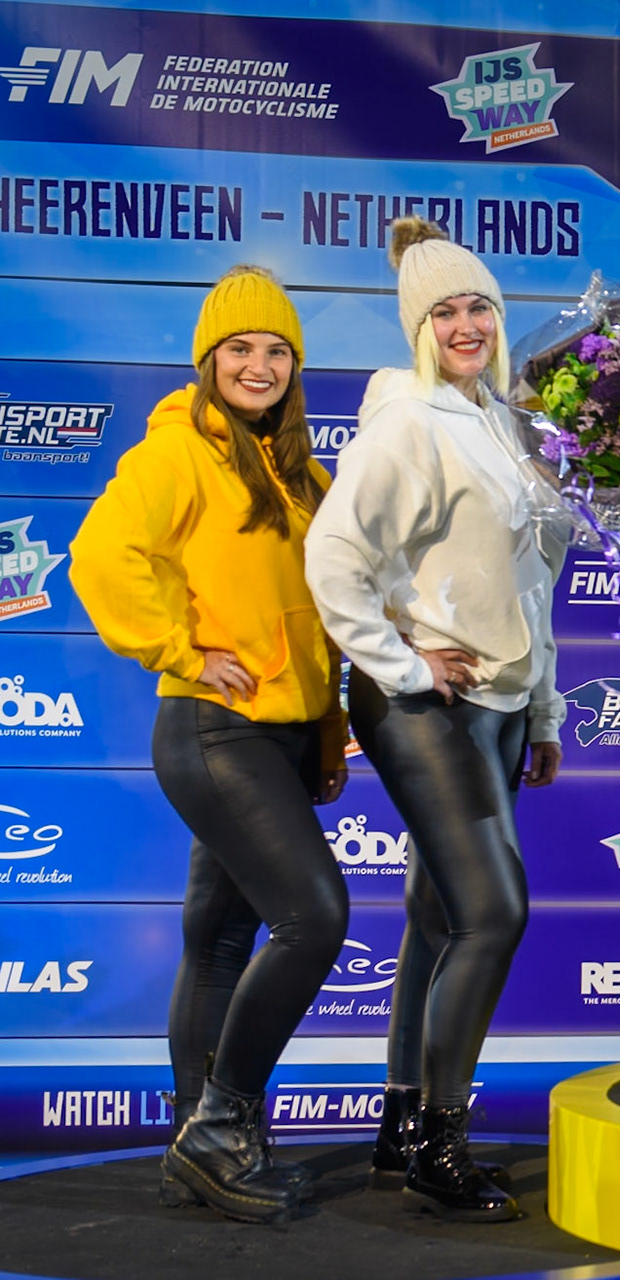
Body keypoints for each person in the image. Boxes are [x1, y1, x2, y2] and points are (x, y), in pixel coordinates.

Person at [69, 266, 347, 1225]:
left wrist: (328, 732)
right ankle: (220, 1127)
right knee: (315, 917)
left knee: (221, 936)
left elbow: (322, 617)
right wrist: (181, 648)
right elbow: (102, 557)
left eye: (277, 350)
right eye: (240, 349)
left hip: (280, 736)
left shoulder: (308, 475)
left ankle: (204, 1140)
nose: (259, 365)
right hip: (212, 726)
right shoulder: (175, 453)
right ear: (208, 362)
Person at [306, 218, 565, 1222]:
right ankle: (441, 1144)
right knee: (493, 912)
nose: (466, 323)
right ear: (419, 325)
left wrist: (542, 704)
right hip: (422, 699)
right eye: (446, 310)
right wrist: (400, 659)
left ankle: (399, 1117)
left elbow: (531, 579)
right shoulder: (405, 421)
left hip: (498, 699)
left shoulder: (501, 418)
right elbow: (333, 555)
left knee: (438, 913)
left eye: (480, 307)